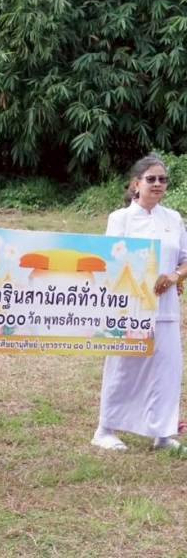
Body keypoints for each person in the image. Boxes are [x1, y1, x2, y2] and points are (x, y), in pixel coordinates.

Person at [93, 154, 187, 454]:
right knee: (124, 367)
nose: (157, 184)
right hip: (130, 307)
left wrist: (173, 277)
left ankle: (162, 432)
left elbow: (185, 260)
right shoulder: (120, 219)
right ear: (136, 184)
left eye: (162, 179)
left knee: (168, 368)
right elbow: (111, 259)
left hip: (167, 307)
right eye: (151, 179)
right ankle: (105, 428)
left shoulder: (173, 218)